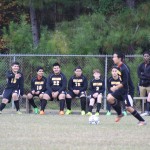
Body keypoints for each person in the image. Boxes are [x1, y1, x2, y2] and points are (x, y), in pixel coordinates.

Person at [107, 52, 146, 126]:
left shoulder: (124, 68)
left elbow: (125, 82)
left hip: (127, 90)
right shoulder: (118, 67)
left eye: (114, 57)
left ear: (119, 58)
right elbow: (122, 81)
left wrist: (116, 87)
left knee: (128, 107)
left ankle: (142, 121)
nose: (113, 58)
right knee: (109, 98)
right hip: (122, 89)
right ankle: (120, 114)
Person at [137, 51, 150, 116]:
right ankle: (143, 111)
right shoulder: (140, 65)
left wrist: (144, 75)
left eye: (147, 56)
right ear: (143, 57)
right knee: (142, 99)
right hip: (142, 85)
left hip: (149, 85)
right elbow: (139, 75)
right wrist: (146, 75)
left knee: (149, 98)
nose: (146, 57)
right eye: (145, 56)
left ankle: (148, 111)